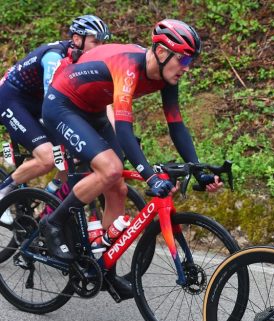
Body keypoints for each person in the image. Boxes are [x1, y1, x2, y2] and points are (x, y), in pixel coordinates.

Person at [39, 19, 221, 302]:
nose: (187, 67)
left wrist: (198, 170)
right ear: (161, 53)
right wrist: (149, 176)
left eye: (191, 61)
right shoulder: (129, 66)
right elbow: (124, 130)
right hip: (62, 105)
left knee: (119, 188)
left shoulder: (167, 75)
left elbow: (176, 125)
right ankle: (53, 222)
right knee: (110, 169)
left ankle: (104, 267)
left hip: (93, 110)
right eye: (183, 59)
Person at [0, 15, 111, 222]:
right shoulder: (54, 57)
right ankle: (3, 193)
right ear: (77, 40)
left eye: (104, 42)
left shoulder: (85, 61)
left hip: (37, 101)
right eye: (96, 42)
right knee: (48, 158)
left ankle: (49, 199)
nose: (100, 47)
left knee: (75, 153)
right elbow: (51, 103)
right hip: (12, 99)